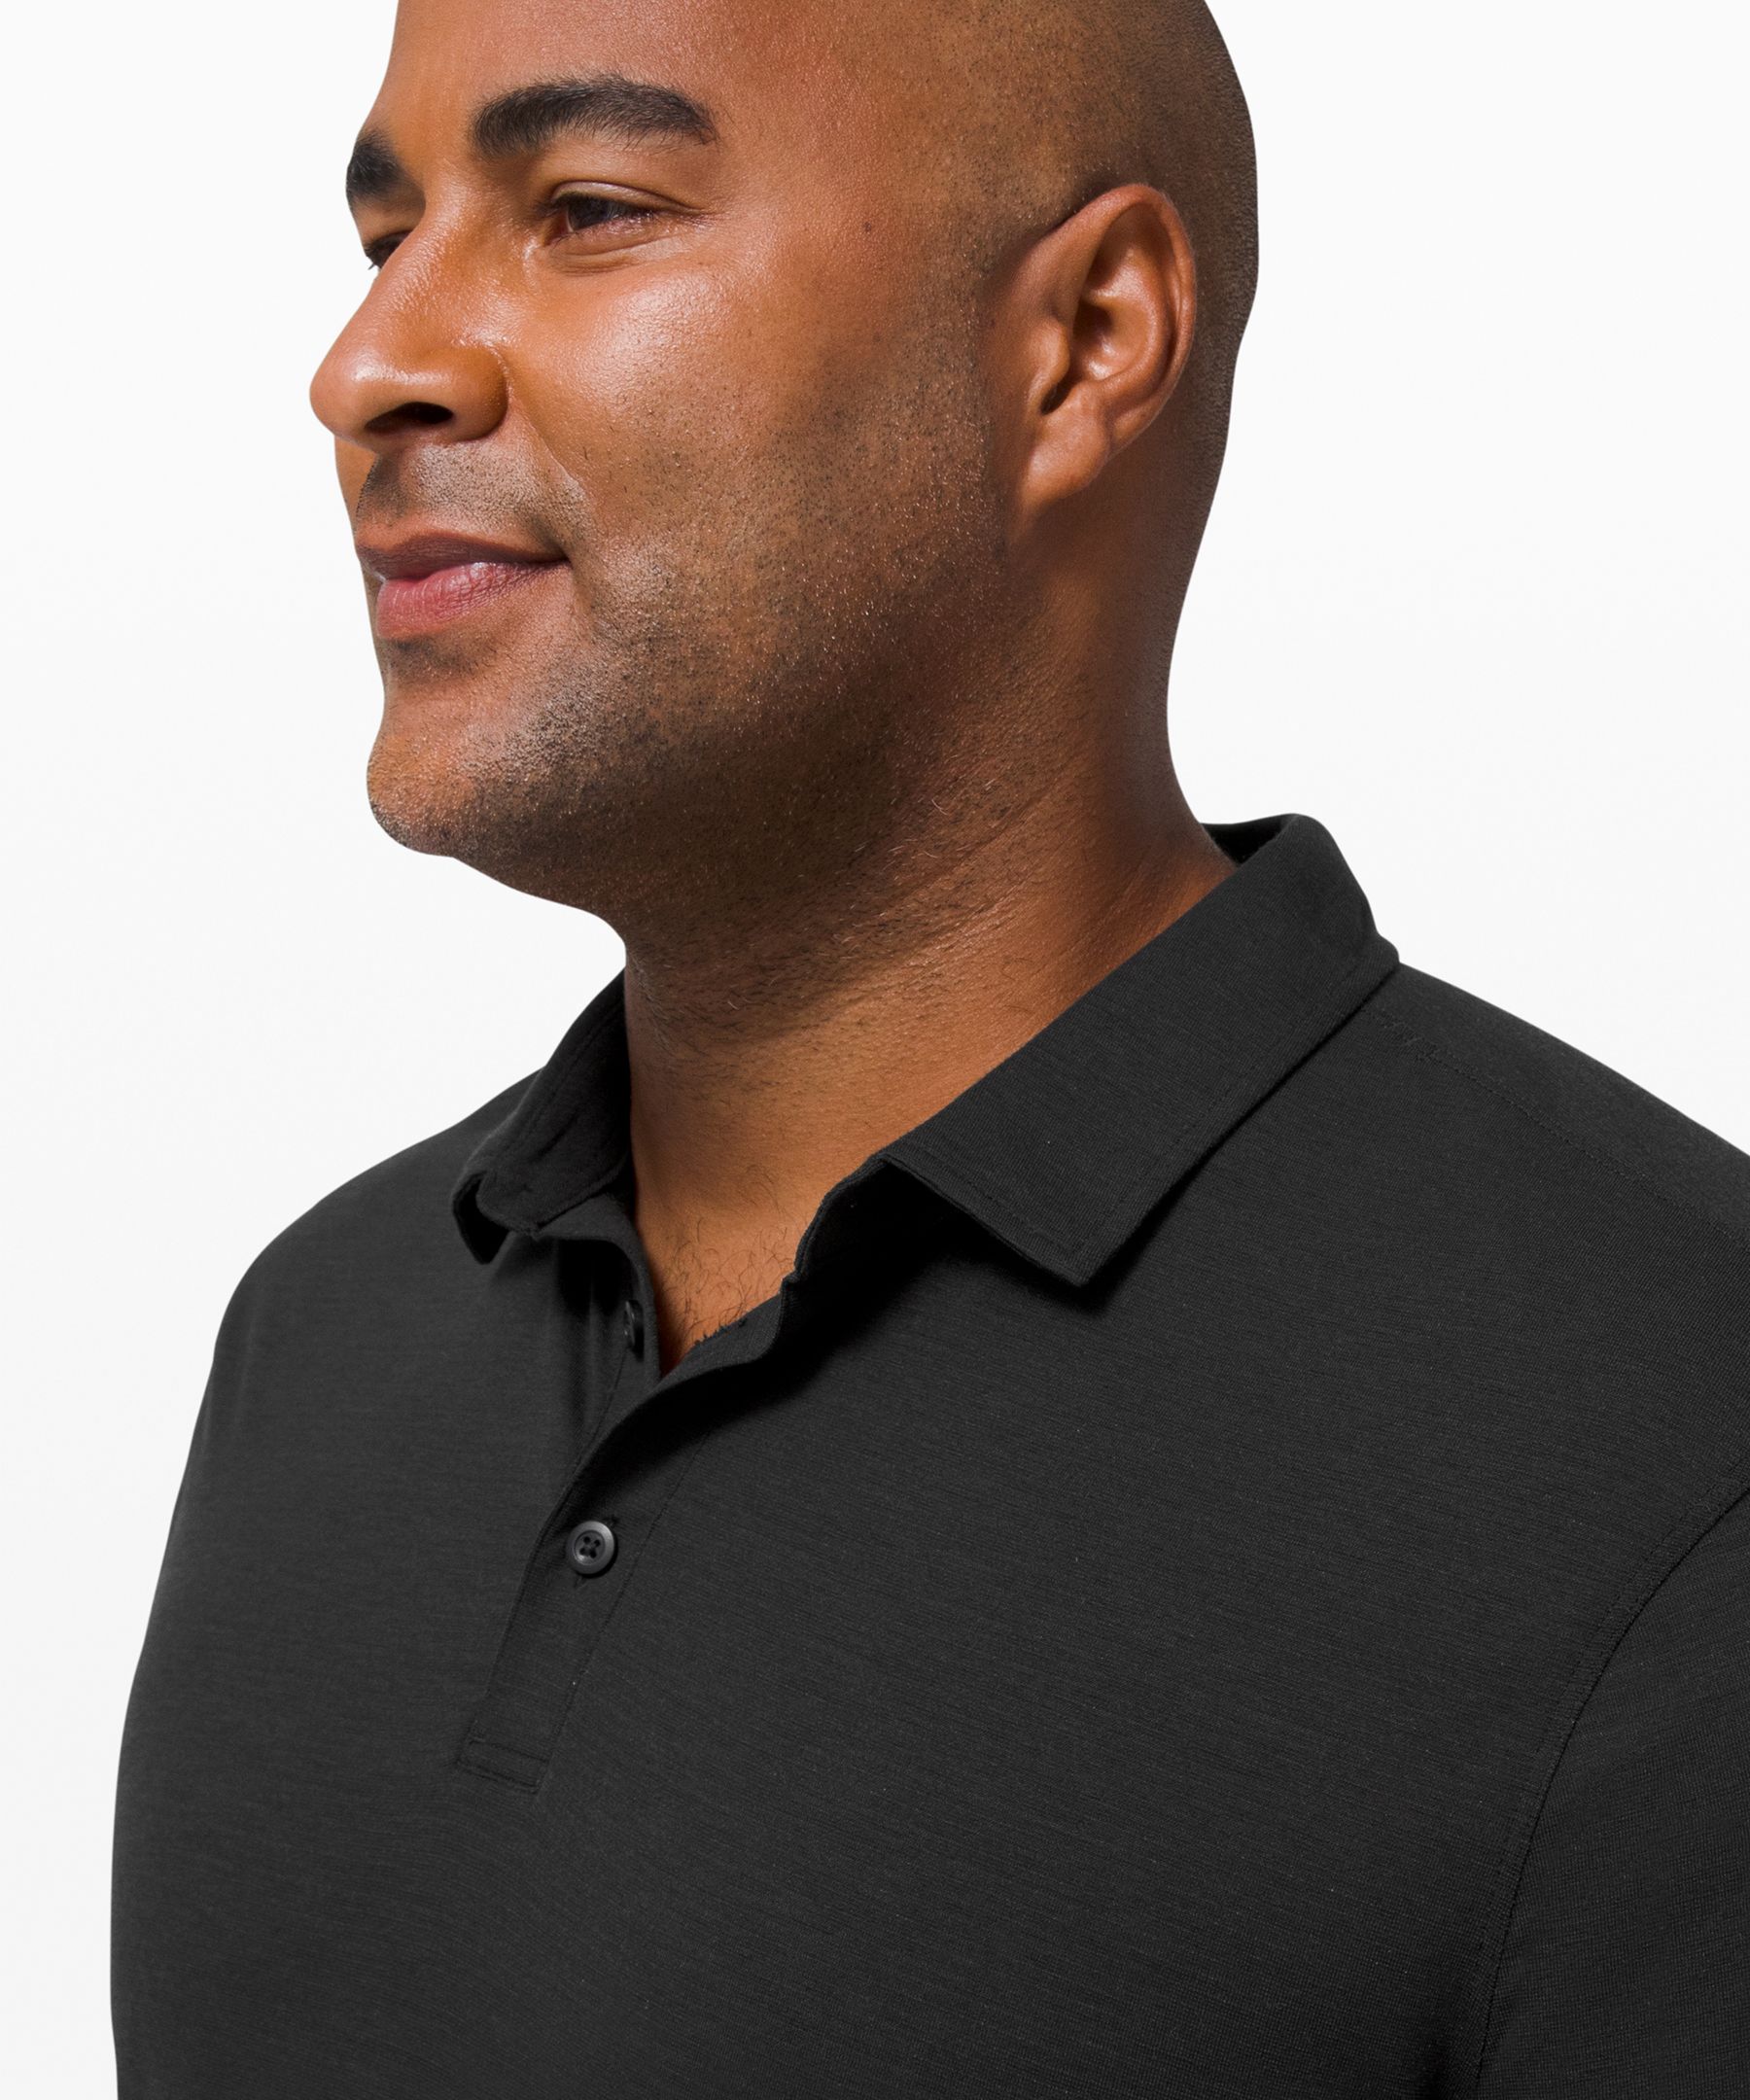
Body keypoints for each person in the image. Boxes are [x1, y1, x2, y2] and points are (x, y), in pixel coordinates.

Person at [111, 0, 1749, 2091]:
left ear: (1085, 343)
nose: (367, 365)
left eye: (589, 208)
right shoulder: (326, 1334)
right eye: (384, 235)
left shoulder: (1681, 1451)